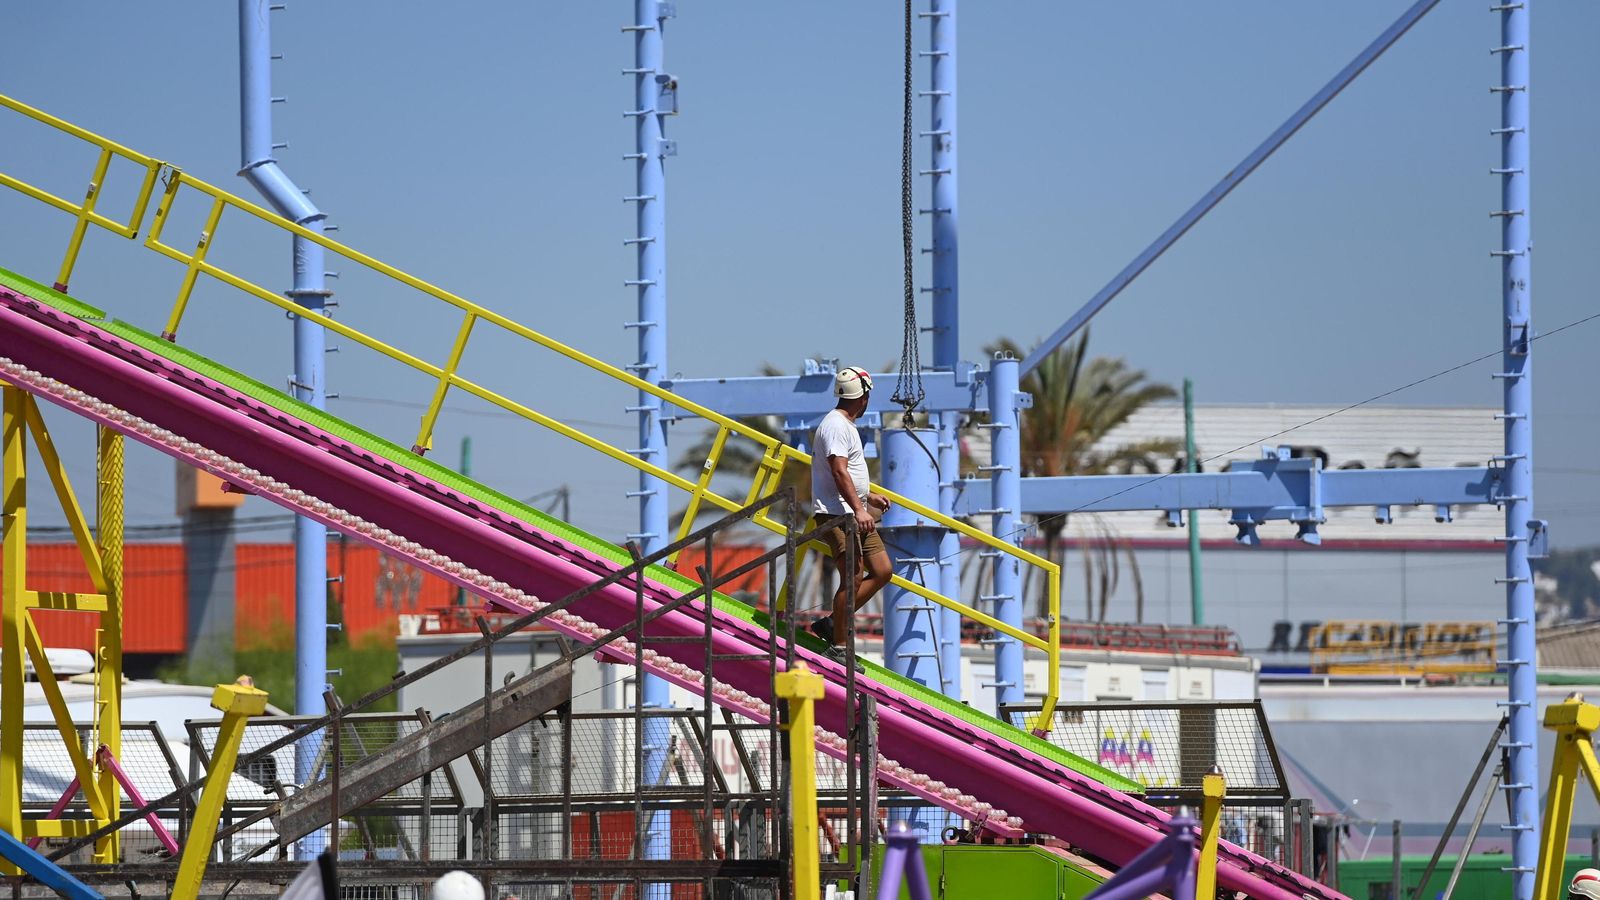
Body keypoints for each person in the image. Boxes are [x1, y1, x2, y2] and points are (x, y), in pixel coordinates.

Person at [807, 366, 893, 654]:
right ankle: (840, 645)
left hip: (854, 511)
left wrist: (869, 496)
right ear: (863, 397)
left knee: (882, 571)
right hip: (837, 514)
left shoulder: (845, 426)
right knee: (853, 577)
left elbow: (848, 474)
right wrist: (860, 509)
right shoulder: (835, 425)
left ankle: (835, 624)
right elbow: (838, 471)